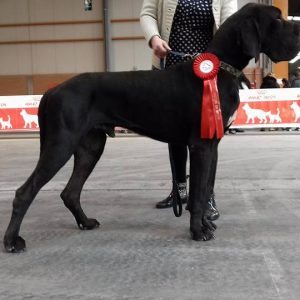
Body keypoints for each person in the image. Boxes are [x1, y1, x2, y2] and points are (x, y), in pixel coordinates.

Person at [140, 0, 238, 220]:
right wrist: (154, 38)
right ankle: (179, 189)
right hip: (171, 61)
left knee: (208, 133)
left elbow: (229, 22)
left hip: (209, 67)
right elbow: (147, 14)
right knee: (173, 132)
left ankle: (206, 195)